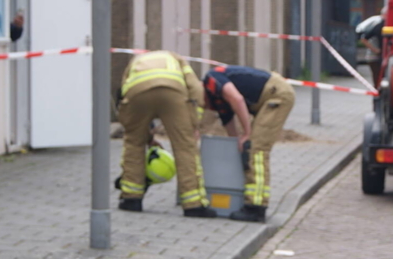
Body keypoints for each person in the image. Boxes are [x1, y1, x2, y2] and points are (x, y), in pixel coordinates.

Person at [116, 51, 216, 218]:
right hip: (173, 91)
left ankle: (131, 199)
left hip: (137, 92)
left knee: (134, 143)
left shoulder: (135, 61)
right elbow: (196, 88)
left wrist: (143, 135)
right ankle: (194, 204)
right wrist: (193, 123)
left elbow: (123, 94)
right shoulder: (177, 58)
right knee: (185, 147)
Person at [203, 65, 295, 223]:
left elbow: (237, 99)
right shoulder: (216, 98)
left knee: (257, 150)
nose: (203, 107)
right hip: (270, 95)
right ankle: (253, 201)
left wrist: (246, 133)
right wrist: (237, 144)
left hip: (276, 95)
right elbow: (228, 122)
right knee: (250, 148)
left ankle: (256, 208)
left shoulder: (211, 79)